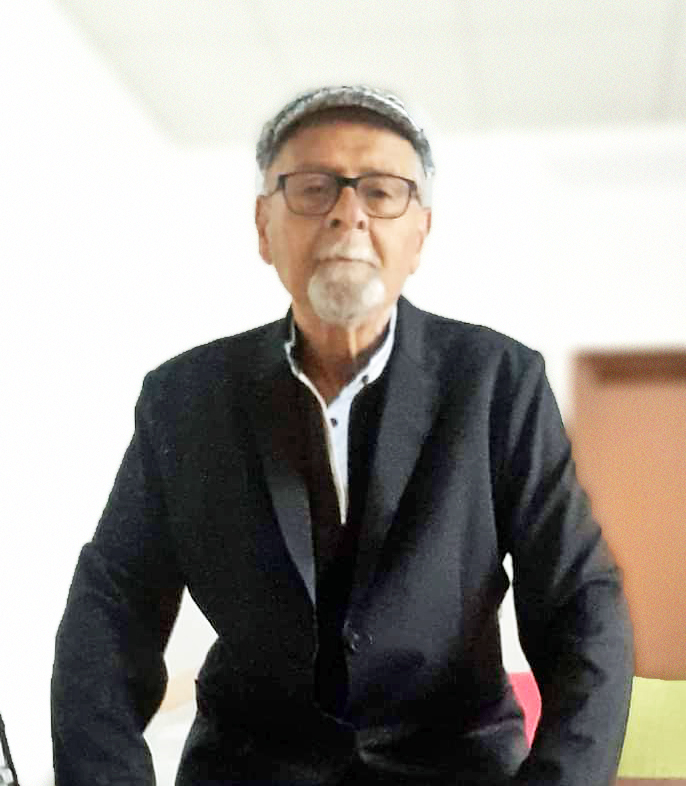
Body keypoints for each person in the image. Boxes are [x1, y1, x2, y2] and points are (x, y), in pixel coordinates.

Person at [51, 85, 634, 786]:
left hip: (452, 766)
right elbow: (110, 612)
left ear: (420, 235)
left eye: (382, 192)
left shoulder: (498, 383)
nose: (347, 213)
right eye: (312, 188)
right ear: (263, 227)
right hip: (249, 768)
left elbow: (580, 606)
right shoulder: (183, 399)